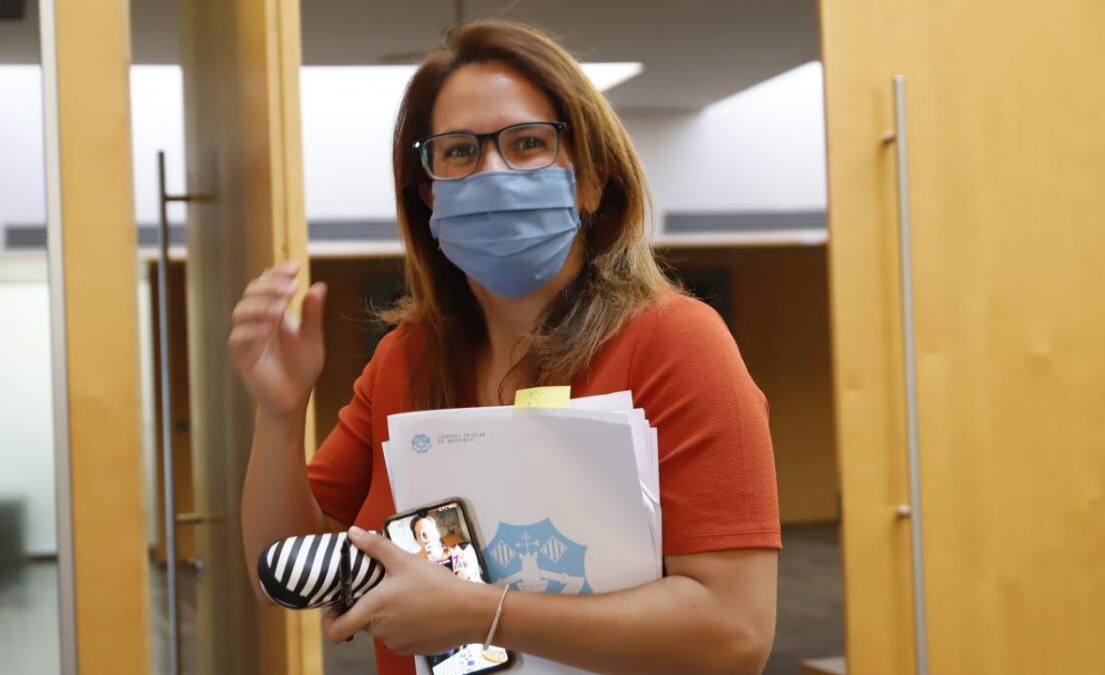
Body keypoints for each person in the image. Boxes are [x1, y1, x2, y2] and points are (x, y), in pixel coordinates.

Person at [230, 19, 780, 674]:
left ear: (591, 181)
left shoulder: (675, 341)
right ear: (429, 194)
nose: (491, 171)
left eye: (527, 143)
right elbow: (282, 571)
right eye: (459, 151)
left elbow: (735, 632)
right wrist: (280, 413)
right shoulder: (405, 359)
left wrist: (478, 614)